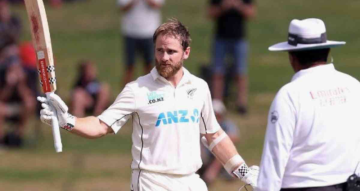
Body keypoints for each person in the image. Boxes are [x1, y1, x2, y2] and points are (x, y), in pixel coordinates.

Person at [38, 19, 259, 190]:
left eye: (171, 51)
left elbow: (214, 136)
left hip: (191, 182)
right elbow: (101, 125)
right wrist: (66, 120)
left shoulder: (199, 88)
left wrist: (243, 172)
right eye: (160, 50)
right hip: (151, 182)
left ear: (186, 53)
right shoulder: (137, 89)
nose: (164, 57)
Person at [256, 18, 360, 191]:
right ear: (327, 51)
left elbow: (274, 159)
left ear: (292, 57)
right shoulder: (354, 86)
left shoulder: (289, 95)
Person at [208, 0, 256, 114]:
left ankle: (241, 103)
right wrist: (223, 7)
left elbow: (251, 13)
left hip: (239, 39)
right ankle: (217, 103)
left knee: (240, 72)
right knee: (218, 71)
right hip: (220, 38)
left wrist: (238, 5)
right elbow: (210, 13)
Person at [117, 0, 165, 85]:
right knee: (129, 67)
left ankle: (150, 96)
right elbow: (122, 7)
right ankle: (125, 98)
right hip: (130, 32)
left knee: (149, 66)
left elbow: (157, 4)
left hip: (149, 32)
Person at [199, 99, 240, 185]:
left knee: (222, 151)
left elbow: (234, 138)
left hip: (221, 156)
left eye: (218, 115)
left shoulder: (227, 125)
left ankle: (210, 175)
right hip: (206, 153)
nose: (216, 118)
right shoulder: (202, 125)